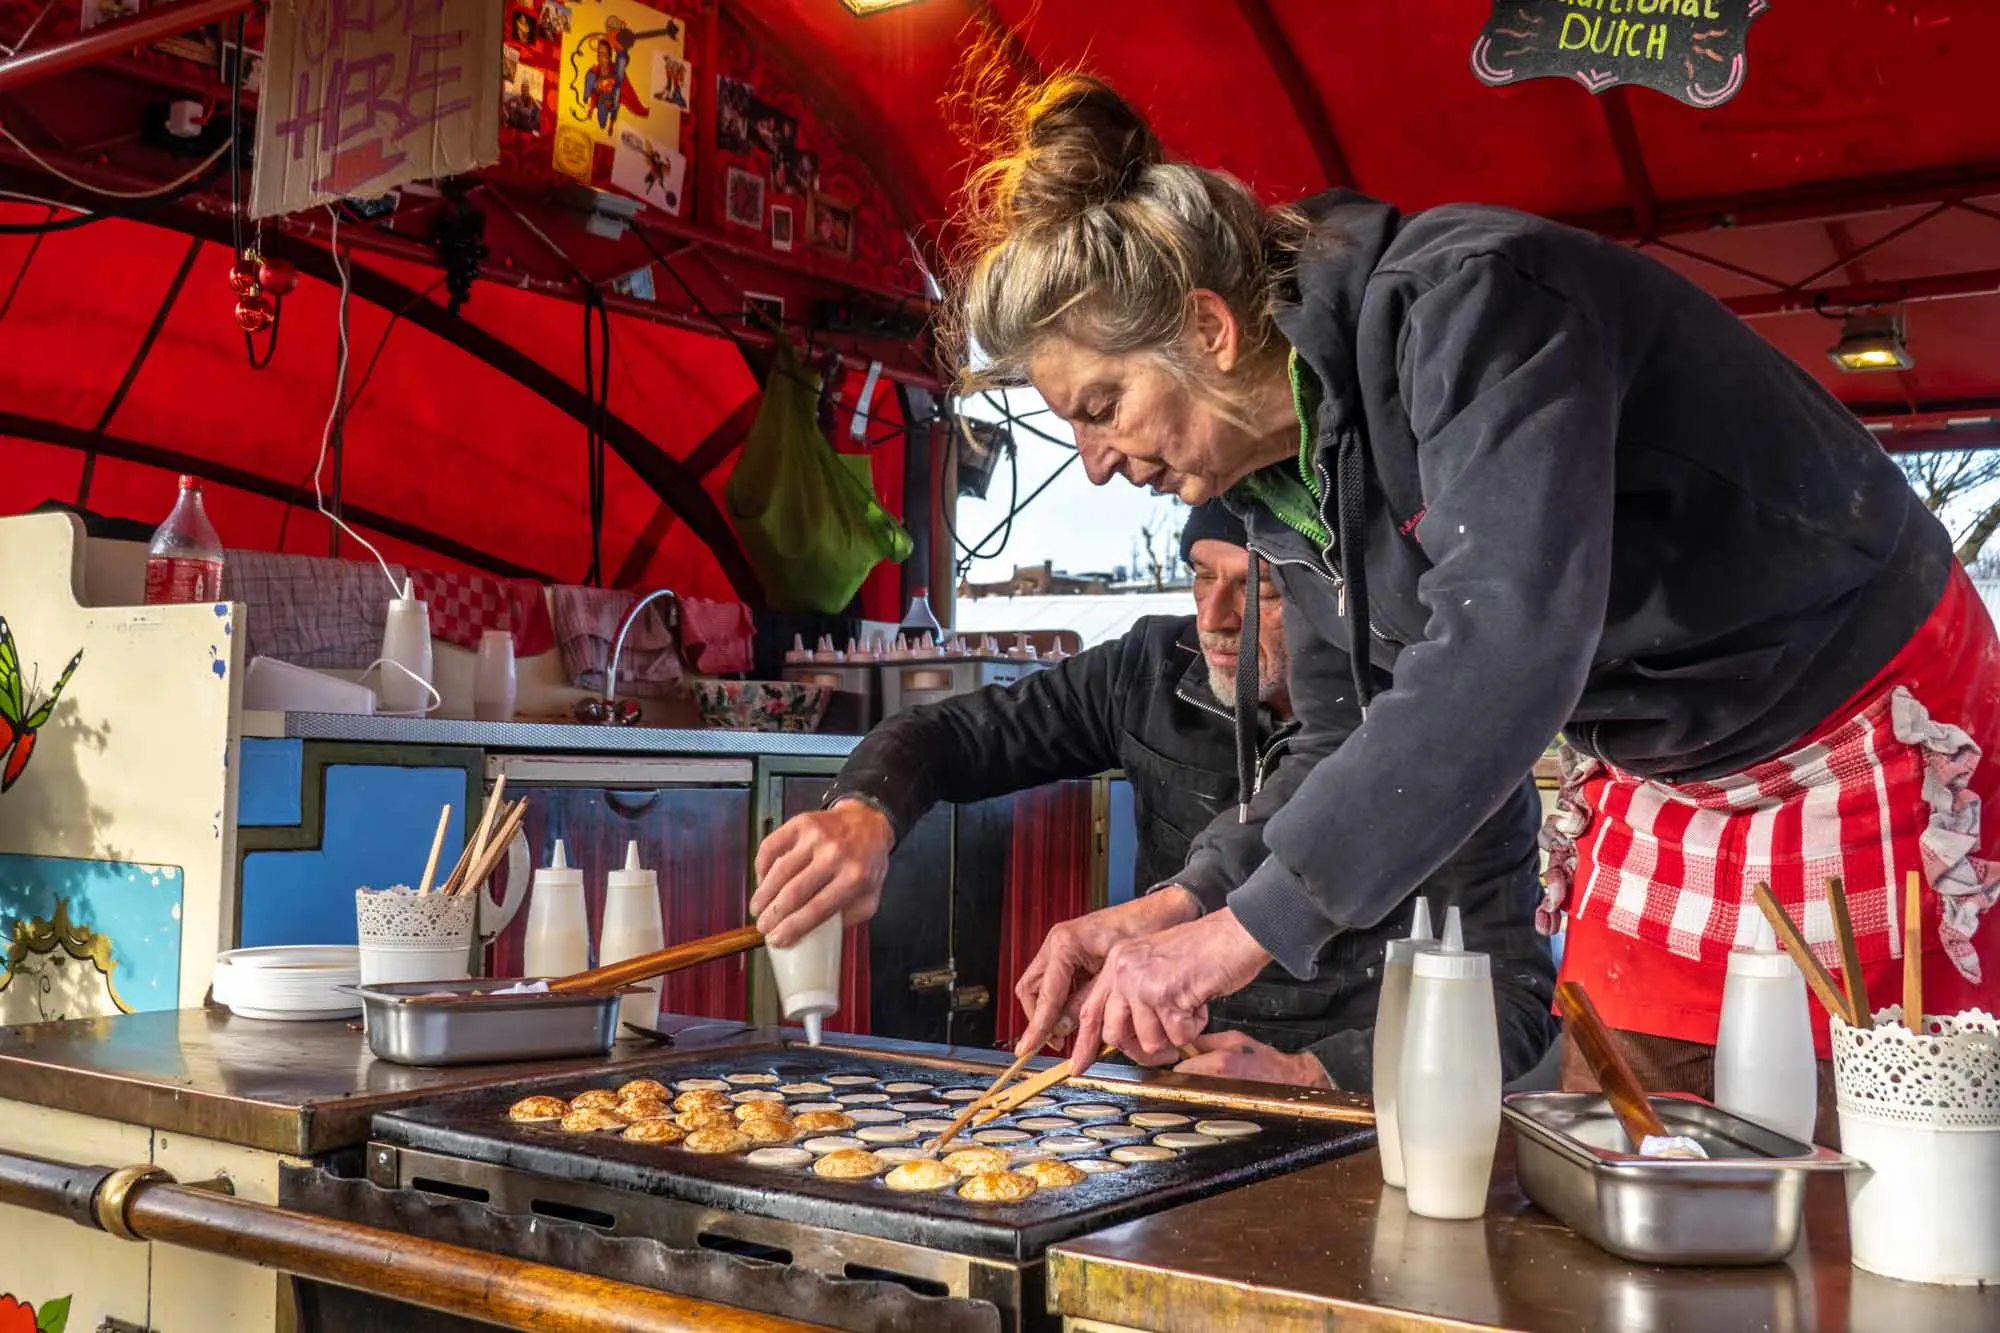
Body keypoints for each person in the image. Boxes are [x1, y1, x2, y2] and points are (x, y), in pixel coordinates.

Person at [946, 74, 2000, 1120]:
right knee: (1630, 1132)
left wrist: (1232, 940)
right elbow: (1338, 734)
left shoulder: (1474, 307)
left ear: (1209, 330)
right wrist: (1175, 903)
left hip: (1854, 722)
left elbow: (1504, 645)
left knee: (1852, 1150)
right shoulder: (1282, 484)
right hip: (1664, 774)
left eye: (1101, 407)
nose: (1092, 464)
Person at [752, 503, 1556, 1089]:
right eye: (1202, 575)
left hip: (1360, 1112)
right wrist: (866, 810)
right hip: (1166, 1087)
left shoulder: (1443, 740)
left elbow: (1515, 1009)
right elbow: (949, 735)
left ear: (1328, 605)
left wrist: (1307, 1072)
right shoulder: (1146, 671)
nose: (1215, 616)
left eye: (1262, 590)